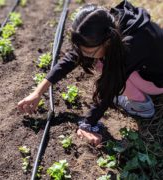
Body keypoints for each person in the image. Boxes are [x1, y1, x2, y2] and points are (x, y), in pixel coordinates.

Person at [18, 0, 163, 146]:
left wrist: (88, 124)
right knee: (102, 62)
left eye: (88, 51)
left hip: (158, 80)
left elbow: (109, 86)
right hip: (146, 65)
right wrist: (38, 91)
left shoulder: (131, 47)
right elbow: (72, 58)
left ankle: (142, 106)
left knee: (104, 66)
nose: (83, 55)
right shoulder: (107, 24)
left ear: (106, 42)